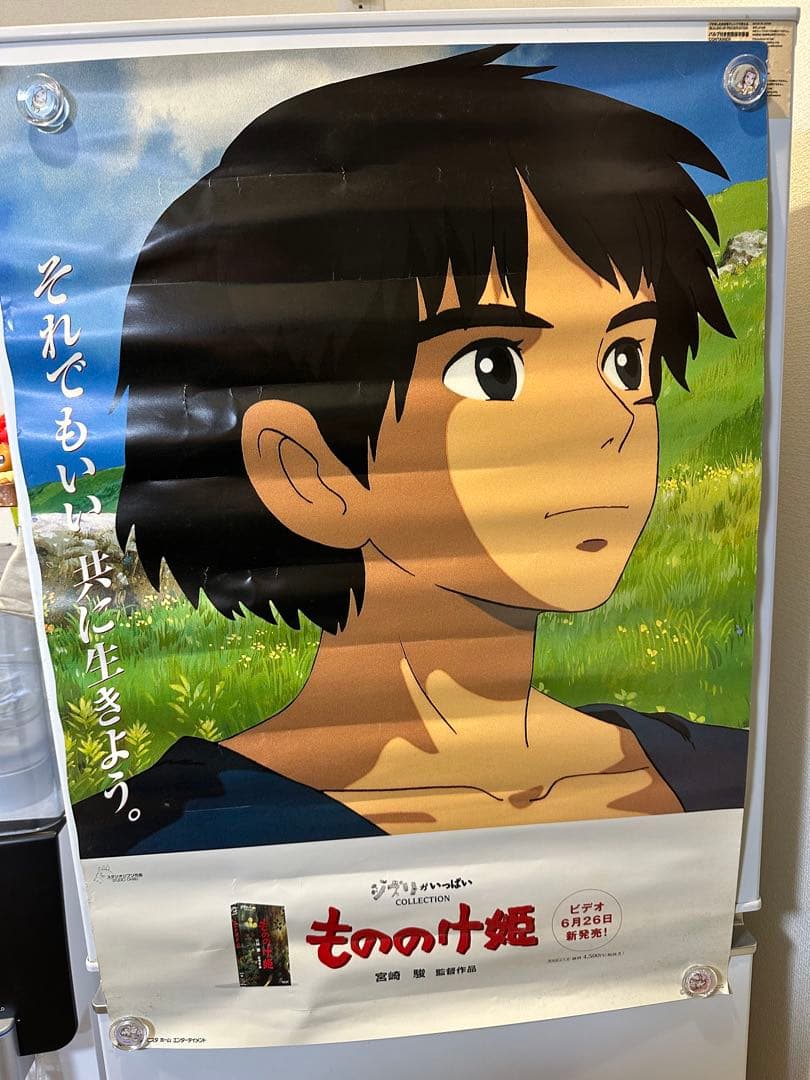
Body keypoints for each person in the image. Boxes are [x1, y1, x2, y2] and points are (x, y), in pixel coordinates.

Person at [76, 46, 748, 857]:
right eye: (493, 368)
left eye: (624, 361)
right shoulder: (168, 844)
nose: (610, 421)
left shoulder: (719, 774)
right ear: (305, 469)